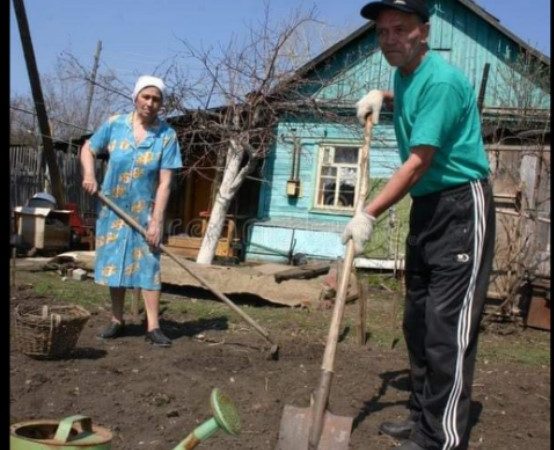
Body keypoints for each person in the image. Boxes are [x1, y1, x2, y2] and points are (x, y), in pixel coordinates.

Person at [341, 1, 495, 449]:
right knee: (418, 322)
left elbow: (417, 164)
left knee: (447, 327)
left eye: (400, 29)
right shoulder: (405, 75)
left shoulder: (444, 81)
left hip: (461, 207)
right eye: (382, 32)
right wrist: (383, 99)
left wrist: (368, 212)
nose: (389, 39)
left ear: (422, 33)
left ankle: (441, 439)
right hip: (429, 209)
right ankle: (422, 417)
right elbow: (414, 102)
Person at [81, 75, 183, 348]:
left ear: (161, 104)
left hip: (144, 212)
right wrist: (90, 174)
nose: (150, 103)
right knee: (115, 263)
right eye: (146, 97)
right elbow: (88, 148)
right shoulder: (115, 125)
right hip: (112, 208)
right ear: (136, 97)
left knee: (149, 264)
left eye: (156, 99)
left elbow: (165, 183)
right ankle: (117, 320)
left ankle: (153, 327)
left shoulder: (167, 136)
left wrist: (157, 222)